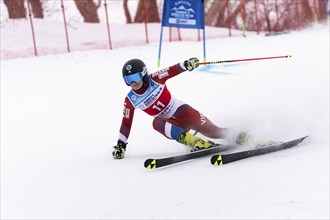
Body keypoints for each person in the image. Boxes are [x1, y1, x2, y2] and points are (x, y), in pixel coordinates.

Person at [113, 58, 249, 159]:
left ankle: (240, 136)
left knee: (213, 131)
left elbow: (172, 70)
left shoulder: (155, 78)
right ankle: (195, 142)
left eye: (135, 77)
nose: (132, 83)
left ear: (143, 74)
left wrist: (186, 64)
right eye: (127, 79)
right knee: (156, 122)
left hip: (184, 112)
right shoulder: (130, 100)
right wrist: (121, 145)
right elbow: (126, 124)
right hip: (173, 126)